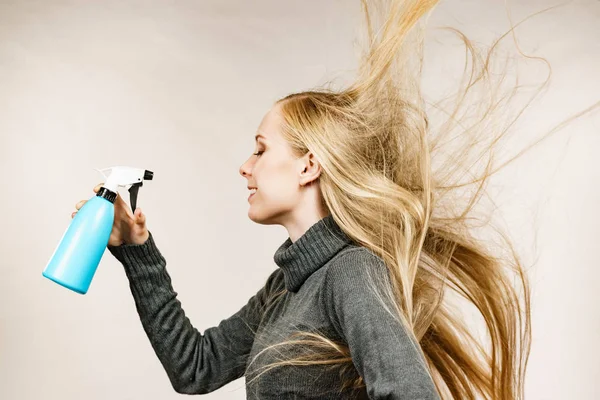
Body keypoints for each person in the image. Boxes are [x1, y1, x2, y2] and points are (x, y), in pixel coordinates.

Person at [70, 0, 561, 398]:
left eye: (261, 149)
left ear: (309, 166)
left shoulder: (352, 271)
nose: (245, 166)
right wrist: (137, 250)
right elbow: (195, 369)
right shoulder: (285, 288)